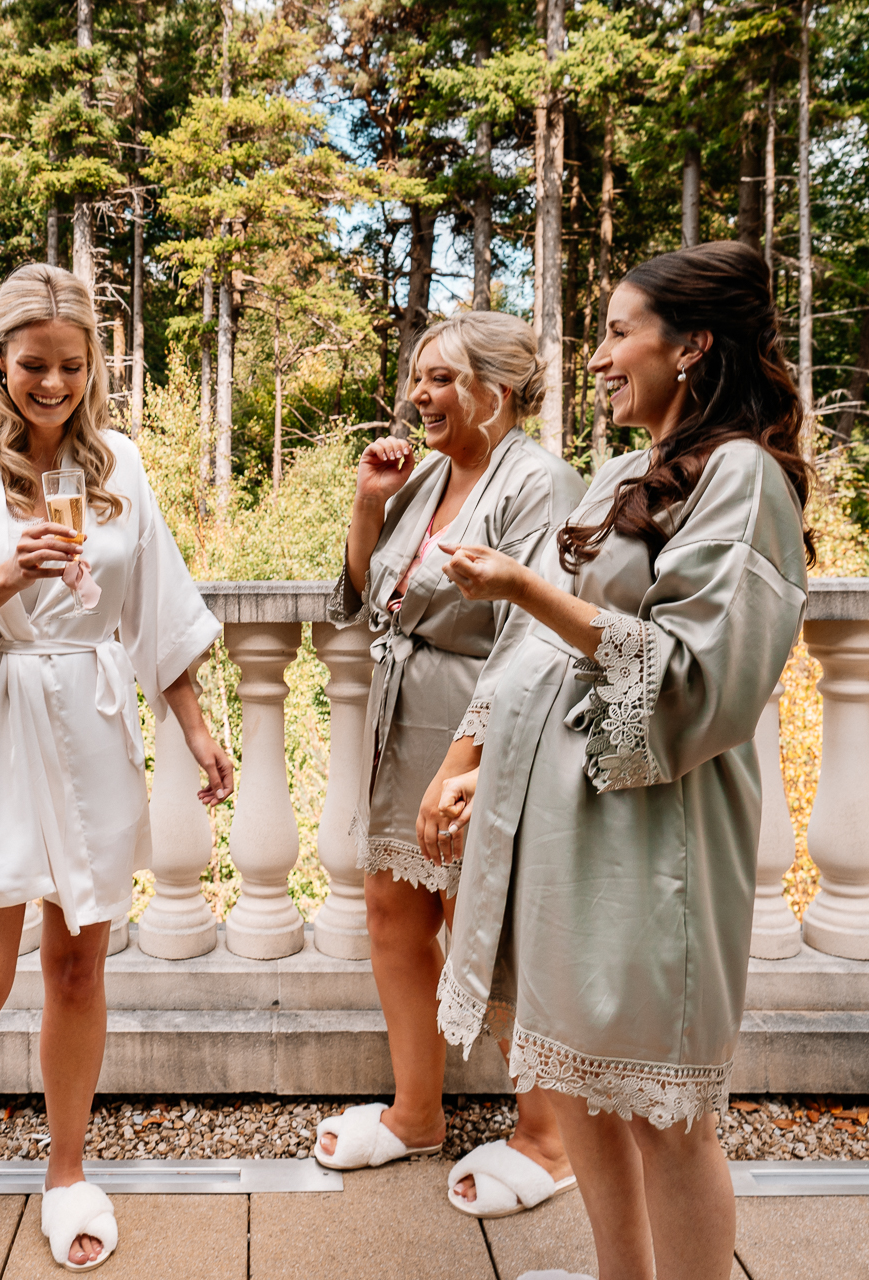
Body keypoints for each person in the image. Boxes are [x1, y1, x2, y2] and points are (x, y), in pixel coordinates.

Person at [430, 241, 813, 1280]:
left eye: (616, 331)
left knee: (662, 1108)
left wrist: (521, 585)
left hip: (659, 830)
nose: (597, 356)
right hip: (566, 819)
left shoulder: (743, 477)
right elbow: (552, 649)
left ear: (690, 344)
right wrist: (476, 755)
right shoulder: (622, 470)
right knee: (582, 1077)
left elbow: (702, 677)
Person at [0, 263, 233, 1272]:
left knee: (78, 967)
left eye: (71, 365)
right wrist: (3, 576)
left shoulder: (118, 465)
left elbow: (155, 604)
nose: (52, 384)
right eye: (34, 364)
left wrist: (196, 727)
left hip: (89, 717)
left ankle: (69, 1167)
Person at [313, 312, 588, 1221]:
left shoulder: (541, 481)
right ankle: (417, 1112)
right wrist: (368, 503)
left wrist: (462, 756)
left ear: (493, 392)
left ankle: (548, 1139)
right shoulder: (427, 474)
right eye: (417, 378)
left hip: (487, 731)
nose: (417, 396)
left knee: (492, 921)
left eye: (438, 379)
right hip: (401, 725)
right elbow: (364, 597)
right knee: (394, 908)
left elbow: (534, 635)